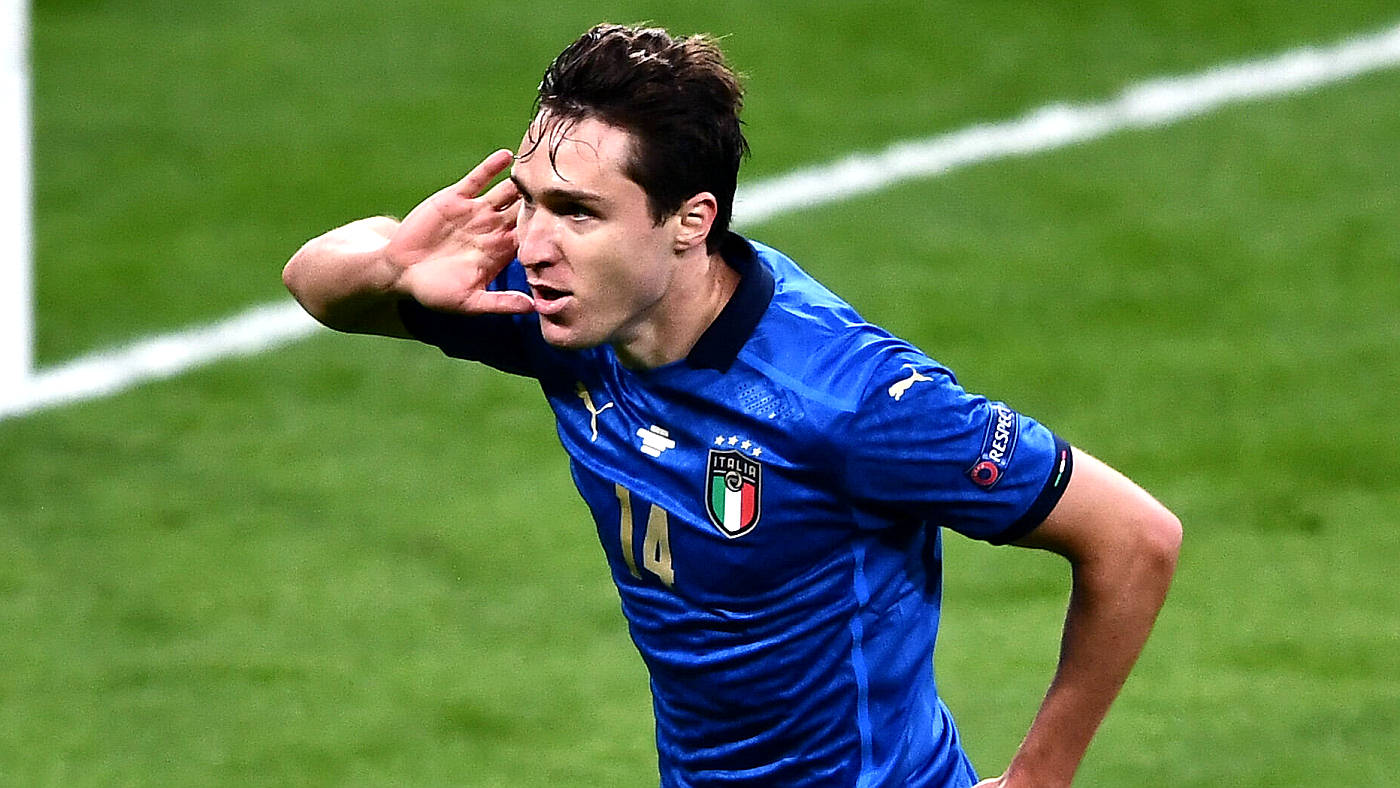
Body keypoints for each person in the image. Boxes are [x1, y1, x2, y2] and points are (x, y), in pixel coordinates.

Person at [282, 23, 1181, 788]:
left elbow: (1135, 537)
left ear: (690, 220)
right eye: (528, 202)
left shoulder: (847, 400)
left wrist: (1037, 778)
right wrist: (394, 265)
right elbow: (313, 285)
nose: (537, 243)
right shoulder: (566, 312)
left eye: (579, 212)